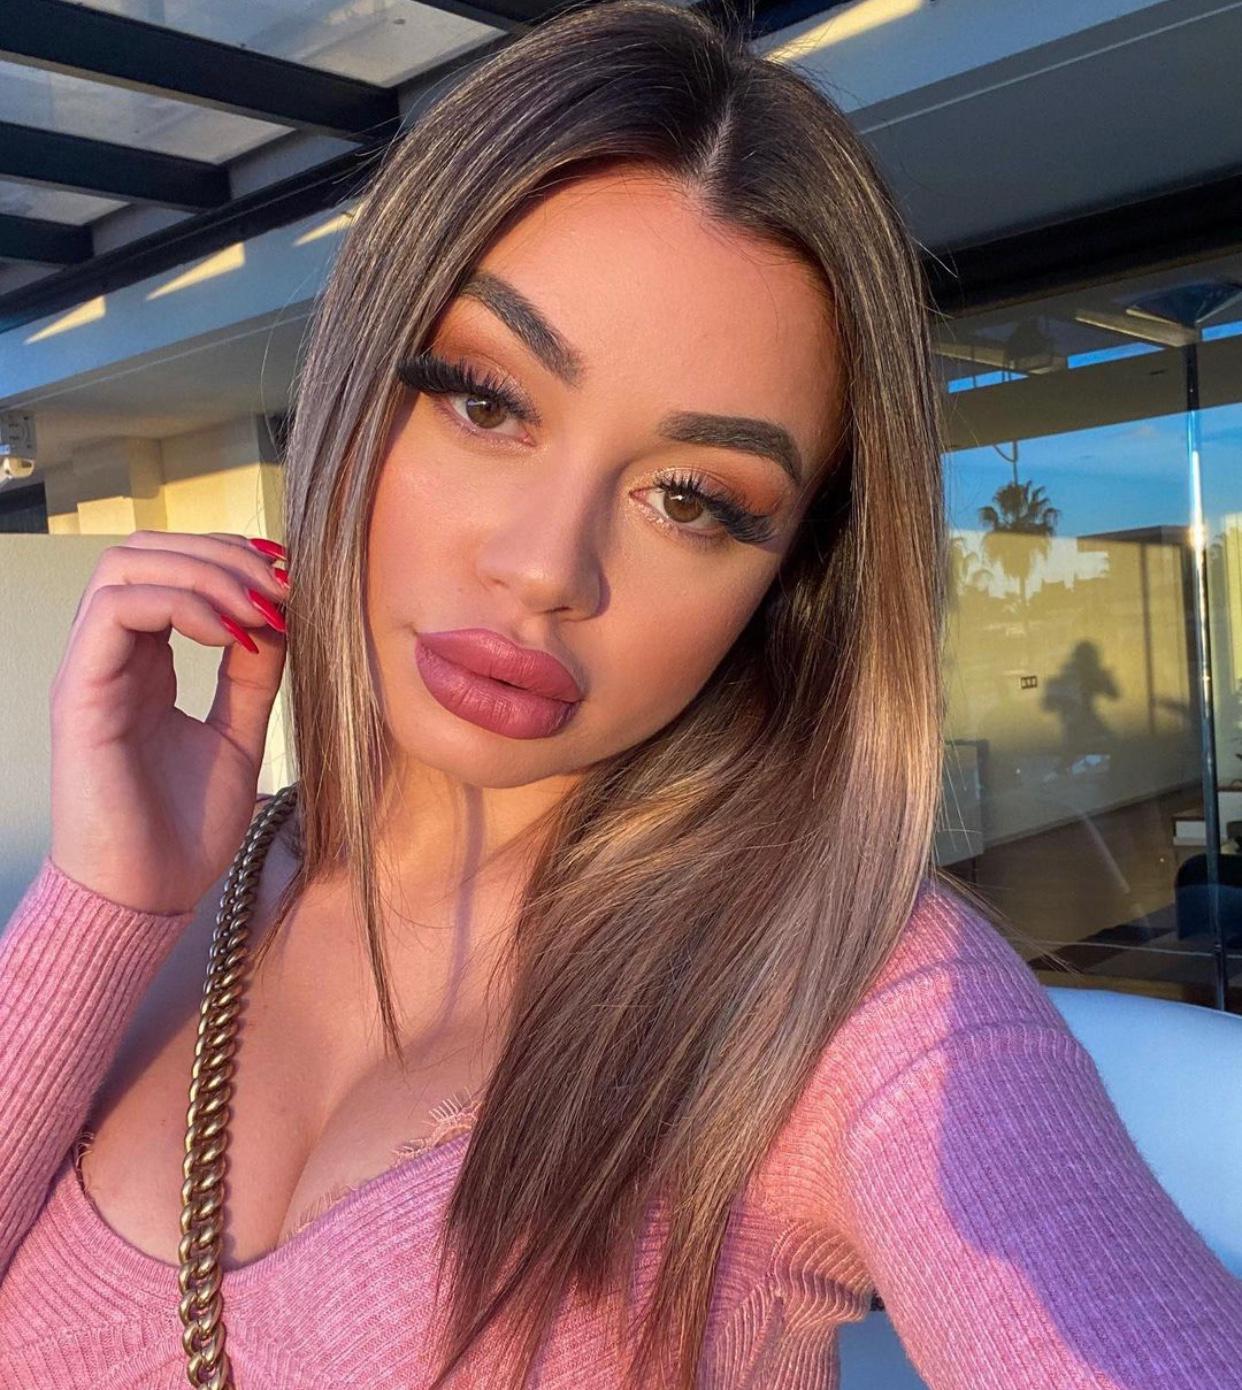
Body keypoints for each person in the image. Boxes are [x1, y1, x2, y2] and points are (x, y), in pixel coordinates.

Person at [2, 1, 1240, 1386]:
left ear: (788, 580)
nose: (544, 568)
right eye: (486, 401)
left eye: (691, 498)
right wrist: (105, 901)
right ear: (360, 381)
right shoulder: (176, 893)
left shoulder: (845, 999)